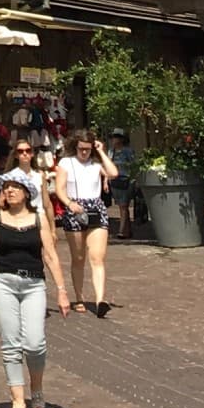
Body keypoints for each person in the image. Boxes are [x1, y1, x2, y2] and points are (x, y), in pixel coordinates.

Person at [0, 172, 71, 408]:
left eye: (15, 186)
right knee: (10, 344)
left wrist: (61, 291)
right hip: (3, 282)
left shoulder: (39, 219)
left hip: (33, 284)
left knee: (35, 343)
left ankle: (36, 390)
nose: (10, 191)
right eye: (6, 186)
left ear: (27, 192)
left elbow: (50, 256)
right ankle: (17, 400)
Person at [51, 128, 119, 313]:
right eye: (81, 148)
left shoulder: (96, 163)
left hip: (95, 207)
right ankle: (79, 297)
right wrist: (68, 203)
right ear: (75, 146)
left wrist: (101, 152)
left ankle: (100, 300)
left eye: (88, 149)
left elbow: (113, 173)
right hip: (75, 207)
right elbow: (60, 188)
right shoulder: (66, 162)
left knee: (97, 257)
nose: (84, 152)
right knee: (78, 258)